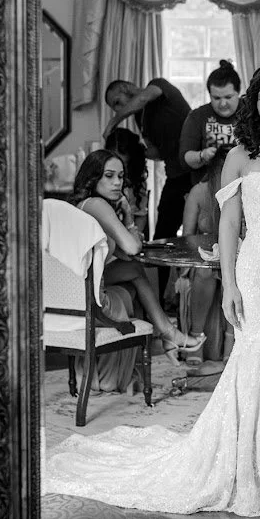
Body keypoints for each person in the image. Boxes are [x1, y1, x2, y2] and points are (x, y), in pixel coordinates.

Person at [45, 64, 260, 519]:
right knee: (257, 365)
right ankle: (253, 466)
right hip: (259, 274)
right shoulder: (241, 156)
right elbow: (229, 225)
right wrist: (230, 283)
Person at [69, 151, 205, 366]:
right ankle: (168, 334)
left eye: (120, 176)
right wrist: (129, 218)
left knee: (134, 269)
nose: (117, 182)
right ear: (93, 178)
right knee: (135, 272)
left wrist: (127, 231)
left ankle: (167, 334)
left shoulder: (89, 205)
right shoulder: (96, 205)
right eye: (109, 176)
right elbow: (132, 247)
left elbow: (124, 253)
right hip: (87, 291)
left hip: (79, 285)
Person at [103, 77, 192, 299]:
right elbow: (157, 152)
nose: (118, 109)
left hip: (196, 173)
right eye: (115, 107)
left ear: (125, 88)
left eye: (117, 102)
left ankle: (187, 294)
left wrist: (113, 121)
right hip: (175, 177)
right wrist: (133, 152)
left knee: (193, 235)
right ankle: (160, 298)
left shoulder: (158, 87)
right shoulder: (139, 118)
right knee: (162, 238)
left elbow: (142, 98)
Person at [178, 148, 235, 364]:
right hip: (202, 256)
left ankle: (231, 339)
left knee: (237, 274)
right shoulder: (199, 192)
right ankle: (196, 336)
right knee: (204, 273)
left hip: (236, 255)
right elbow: (187, 236)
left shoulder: (241, 190)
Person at [179, 60, 241, 184]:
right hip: (208, 186)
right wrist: (202, 156)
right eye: (216, 98)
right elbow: (184, 159)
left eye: (228, 97)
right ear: (210, 95)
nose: (223, 104)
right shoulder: (197, 116)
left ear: (238, 92)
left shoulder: (251, 113)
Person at [105, 128, 149, 237]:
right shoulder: (100, 181)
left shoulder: (137, 181)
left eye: (124, 164)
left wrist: (135, 235)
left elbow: (141, 214)